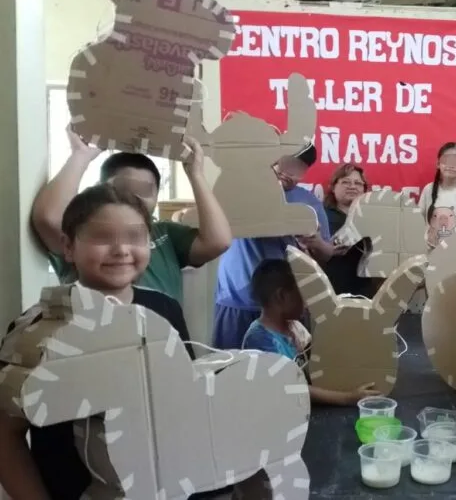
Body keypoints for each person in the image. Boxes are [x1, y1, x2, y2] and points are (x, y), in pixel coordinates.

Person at [0, 184, 196, 500]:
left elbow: (184, 400)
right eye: (103, 237)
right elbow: (6, 435)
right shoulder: (41, 326)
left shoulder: (165, 309)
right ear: (68, 246)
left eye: (135, 237)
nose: (121, 250)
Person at [30, 128, 232, 304]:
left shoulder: (165, 233)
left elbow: (218, 241)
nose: (134, 196)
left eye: (145, 190)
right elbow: (49, 219)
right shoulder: (86, 235)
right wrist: (81, 155)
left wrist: (195, 174)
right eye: (123, 187)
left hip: (160, 335)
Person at [214, 143, 345, 349]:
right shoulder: (242, 190)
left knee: (287, 364)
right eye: (286, 164)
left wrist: (315, 241)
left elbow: (326, 254)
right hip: (236, 298)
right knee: (232, 362)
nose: (289, 173)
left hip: (283, 303)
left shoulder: (308, 202)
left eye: (298, 169)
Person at [242, 259, 382, 406]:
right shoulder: (260, 339)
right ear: (281, 296)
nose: (307, 301)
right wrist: (348, 398)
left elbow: (315, 357)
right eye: (303, 294)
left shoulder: (295, 326)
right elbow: (292, 387)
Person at [322, 163, 373, 296]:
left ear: (364, 189)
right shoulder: (321, 215)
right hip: (329, 289)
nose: (352, 186)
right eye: (345, 182)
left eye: (358, 183)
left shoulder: (372, 217)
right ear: (333, 187)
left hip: (365, 290)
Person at [419, 142, 456, 247]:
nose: (451, 165)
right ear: (438, 164)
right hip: (429, 251)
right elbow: (417, 221)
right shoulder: (428, 190)